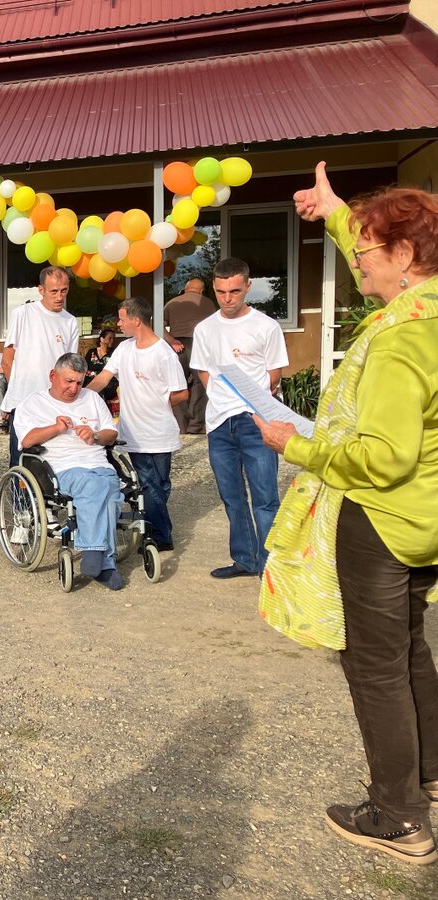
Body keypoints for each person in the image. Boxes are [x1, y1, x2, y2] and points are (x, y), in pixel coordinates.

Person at [256, 164, 438, 865]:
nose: (356, 258)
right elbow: (371, 245)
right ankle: (427, 773)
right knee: (412, 649)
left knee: (374, 666)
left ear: (405, 256)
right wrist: (336, 212)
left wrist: (296, 444)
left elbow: (384, 457)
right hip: (424, 516)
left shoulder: (398, 339)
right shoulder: (426, 313)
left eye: (366, 252)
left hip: (381, 518)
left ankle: (398, 815)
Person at [190, 257, 289, 578]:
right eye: (220, 292)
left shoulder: (266, 326)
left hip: (257, 422)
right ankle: (245, 560)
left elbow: (274, 376)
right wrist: (223, 399)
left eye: (234, 290)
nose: (227, 298)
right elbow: (204, 371)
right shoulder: (205, 329)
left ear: (248, 286)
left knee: (265, 499)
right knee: (232, 497)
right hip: (220, 424)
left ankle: (270, 568)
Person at [15, 353, 124, 590]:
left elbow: (111, 433)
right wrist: (55, 427)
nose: (74, 388)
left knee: (112, 489)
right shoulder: (33, 403)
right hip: (61, 467)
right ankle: (101, 560)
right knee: (95, 487)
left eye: (78, 382)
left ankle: (98, 556)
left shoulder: (93, 399)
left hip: (99, 464)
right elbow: (26, 440)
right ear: (53, 376)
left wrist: (94, 436)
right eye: (68, 381)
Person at [87, 297, 188, 552]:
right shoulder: (124, 350)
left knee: (160, 484)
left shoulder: (164, 353)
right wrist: (79, 397)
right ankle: (159, 537)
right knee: (149, 484)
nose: (118, 324)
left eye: (121, 319)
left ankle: (153, 528)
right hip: (133, 432)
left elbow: (181, 393)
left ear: (136, 320)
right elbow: (103, 378)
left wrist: (158, 404)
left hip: (160, 432)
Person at [1, 267, 81, 466]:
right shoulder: (23, 313)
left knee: (51, 460)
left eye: (64, 290)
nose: (59, 296)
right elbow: (7, 359)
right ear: (41, 290)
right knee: (20, 460)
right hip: (23, 402)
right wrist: (16, 392)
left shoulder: (70, 321)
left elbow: (70, 366)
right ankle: (19, 497)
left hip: (53, 403)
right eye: (54, 291)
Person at [163, 277, 215, 434]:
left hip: (176, 347)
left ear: (186, 289)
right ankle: (196, 425)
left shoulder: (171, 303)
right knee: (201, 382)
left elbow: (158, 325)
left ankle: (181, 425)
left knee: (176, 383)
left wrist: (172, 341)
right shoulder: (208, 303)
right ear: (201, 290)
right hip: (198, 346)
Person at [85, 326, 119, 407]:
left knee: (102, 390)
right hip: (90, 380)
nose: (112, 341)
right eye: (109, 338)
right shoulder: (91, 352)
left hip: (108, 382)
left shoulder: (114, 353)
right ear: (102, 339)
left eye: (113, 338)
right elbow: (85, 367)